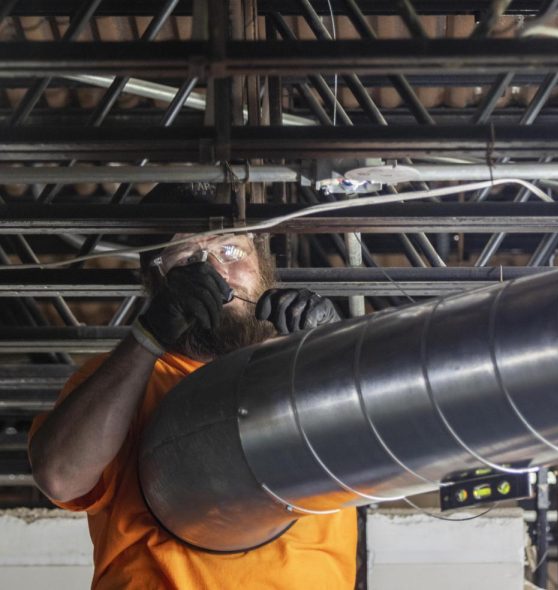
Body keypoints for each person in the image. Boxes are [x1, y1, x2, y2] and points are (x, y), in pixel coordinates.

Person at [27, 184, 357, 589]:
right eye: (187, 259)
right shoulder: (121, 380)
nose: (217, 273)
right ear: (155, 282)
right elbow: (60, 477)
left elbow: (399, 449)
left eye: (232, 251)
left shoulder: (304, 368)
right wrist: (148, 336)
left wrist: (339, 352)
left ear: (264, 263)